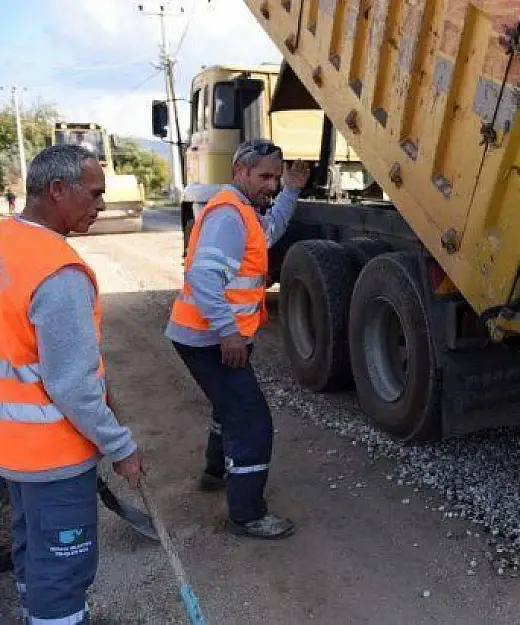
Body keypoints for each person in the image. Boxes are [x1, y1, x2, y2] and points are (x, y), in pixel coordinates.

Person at [0, 144, 144, 624]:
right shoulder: (58, 271)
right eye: (95, 193)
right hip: (53, 458)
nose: (101, 205)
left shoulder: (6, 240)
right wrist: (121, 447)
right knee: (63, 573)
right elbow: (72, 386)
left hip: (11, 453)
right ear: (58, 190)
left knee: (31, 554)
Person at [165, 139, 309, 540]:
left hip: (204, 334)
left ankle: (216, 472)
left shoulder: (243, 212)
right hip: (207, 337)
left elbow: (269, 233)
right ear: (239, 171)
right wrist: (228, 333)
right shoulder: (228, 215)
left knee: (228, 404)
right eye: (265, 176)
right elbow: (204, 277)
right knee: (250, 420)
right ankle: (247, 514)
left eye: (276, 179)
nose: (271, 186)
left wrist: (292, 192)